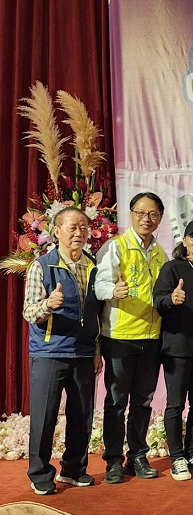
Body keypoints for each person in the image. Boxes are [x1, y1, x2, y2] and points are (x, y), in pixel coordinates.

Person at [23, 207, 102, 494]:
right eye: (72, 227)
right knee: (44, 415)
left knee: (82, 415)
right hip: (49, 352)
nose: (79, 233)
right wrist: (48, 305)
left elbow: (95, 314)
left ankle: (74, 469)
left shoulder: (93, 266)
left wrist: (96, 349)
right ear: (56, 231)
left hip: (83, 351)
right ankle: (40, 473)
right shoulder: (42, 266)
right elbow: (29, 312)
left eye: (83, 227)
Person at [95, 192, 167, 484]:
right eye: (140, 213)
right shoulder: (116, 247)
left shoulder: (161, 253)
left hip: (151, 337)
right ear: (131, 214)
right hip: (120, 337)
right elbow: (98, 285)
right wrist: (113, 291)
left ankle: (137, 456)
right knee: (115, 402)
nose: (146, 219)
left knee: (143, 402)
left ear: (159, 218)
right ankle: (113, 460)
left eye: (152, 214)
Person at [153, 220, 193, 481]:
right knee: (175, 404)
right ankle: (177, 457)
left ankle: (192, 453)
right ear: (185, 241)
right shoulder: (172, 268)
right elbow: (157, 300)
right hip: (177, 347)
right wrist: (171, 299)